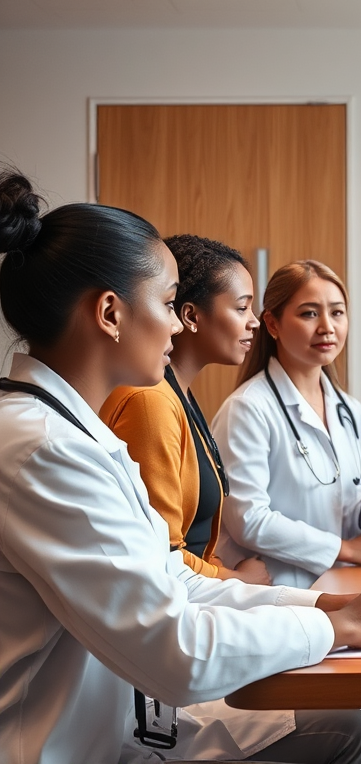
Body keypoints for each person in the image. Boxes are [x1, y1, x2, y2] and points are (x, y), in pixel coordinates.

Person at [0, 169, 361, 764]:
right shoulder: (43, 448)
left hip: (122, 719)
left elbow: (171, 577)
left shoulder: (79, 432)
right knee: (344, 735)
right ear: (109, 313)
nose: (179, 324)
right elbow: (176, 653)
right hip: (64, 744)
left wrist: (318, 606)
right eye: (170, 304)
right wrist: (343, 628)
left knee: (347, 729)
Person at [212, 260, 361, 590]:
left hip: (344, 589)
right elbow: (247, 519)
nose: (327, 327)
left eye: (337, 313)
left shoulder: (350, 411)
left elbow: (343, 509)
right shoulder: (248, 408)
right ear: (272, 324)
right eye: (309, 313)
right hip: (276, 594)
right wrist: (344, 549)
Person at [101, 234, 268, 584]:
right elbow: (163, 554)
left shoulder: (180, 395)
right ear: (190, 316)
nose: (254, 321)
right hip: (184, 604)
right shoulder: (151, 401)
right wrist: (237, 581)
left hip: (202, 593)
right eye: (241, 308)